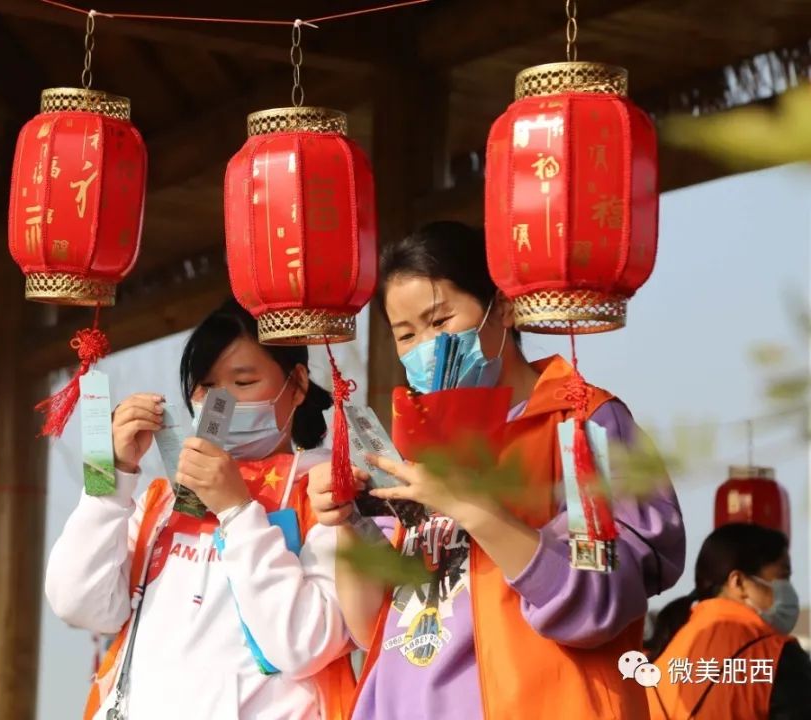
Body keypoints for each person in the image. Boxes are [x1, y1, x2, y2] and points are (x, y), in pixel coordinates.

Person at [308, 221, 686, 719]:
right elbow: (370, 629)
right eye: (406, 334)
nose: (426, 346)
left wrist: (475, 510)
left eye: (440, 320)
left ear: (503, 307)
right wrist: (349, 524)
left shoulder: (580, 426)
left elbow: (600, 603)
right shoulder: (418, 447)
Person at [45, 298, 355, 720]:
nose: (221, 403)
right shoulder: (161, 502)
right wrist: (110, 478)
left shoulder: (326, 496)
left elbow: (303, 644)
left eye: (243, 382)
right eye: (206, 387)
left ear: (297, 385)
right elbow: (78, 603)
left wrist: (238, 512)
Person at [646, 523, 811, 719]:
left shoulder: (664, 650)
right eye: (783, 576)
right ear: (738, 582)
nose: (788, 588)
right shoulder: (775, 655)